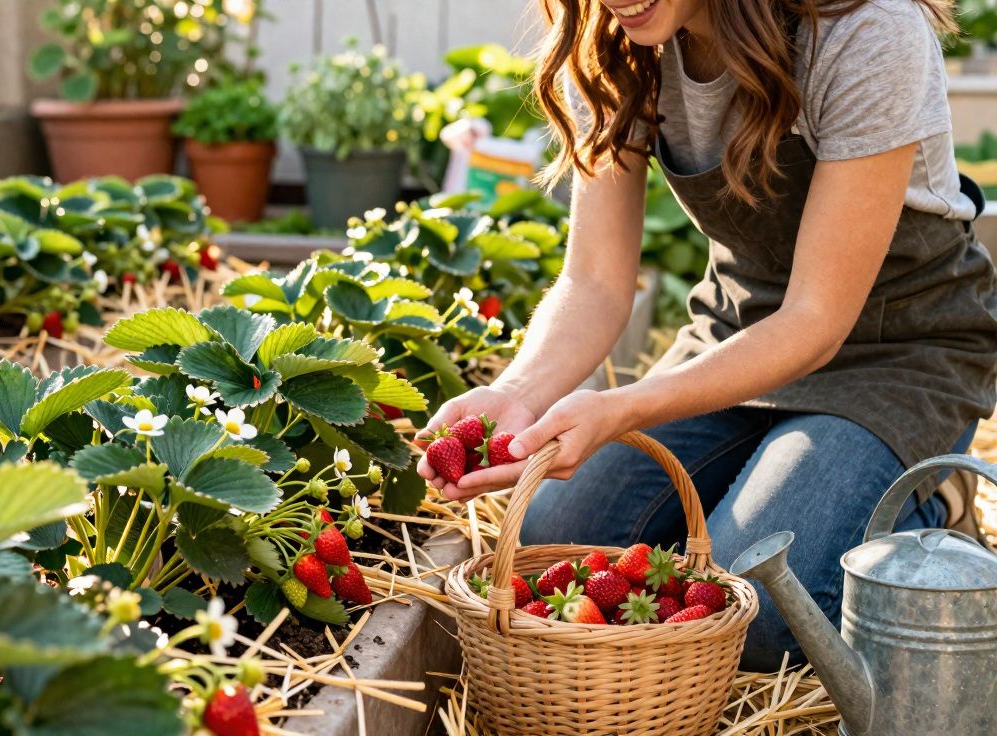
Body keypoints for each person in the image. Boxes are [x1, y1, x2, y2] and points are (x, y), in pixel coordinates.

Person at [417, 0, 997, 670]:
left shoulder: (865, 31)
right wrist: (517, 393)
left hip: (898, 354)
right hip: (736, 336)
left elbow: (816, 320)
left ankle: (926, 513)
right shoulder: (612, 44)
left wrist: (623, 409)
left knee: (759, 607)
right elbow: (597, 284)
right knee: (562, 540)